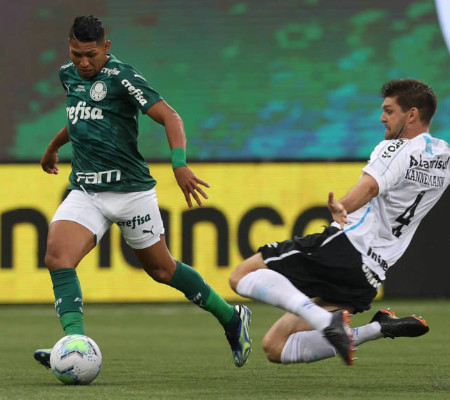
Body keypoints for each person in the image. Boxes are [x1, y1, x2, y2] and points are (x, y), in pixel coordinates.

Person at [34, 15, 251, 369]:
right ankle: (74, 345)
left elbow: (170, 117)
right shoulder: (67, 74)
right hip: (87, 189)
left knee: (162, 270)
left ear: (106, 47)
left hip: (130, 192)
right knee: (58, 257)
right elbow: (80, 117)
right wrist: (52, 147)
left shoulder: (122, 77)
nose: (83, 63)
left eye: (90, 55)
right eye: (76, 54)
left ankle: (231, 318)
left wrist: (179, 164)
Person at [229, 78, 446, 366]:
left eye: (389, 111)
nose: (382, 118)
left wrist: (343, 205)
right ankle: (378, 328)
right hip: (369, 276)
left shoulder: (396, 148)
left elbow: (370, 187)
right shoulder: (444, 157)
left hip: (346, 248)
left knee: (241, 276)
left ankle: (325, 320)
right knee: (275, 347)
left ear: (412, 114)